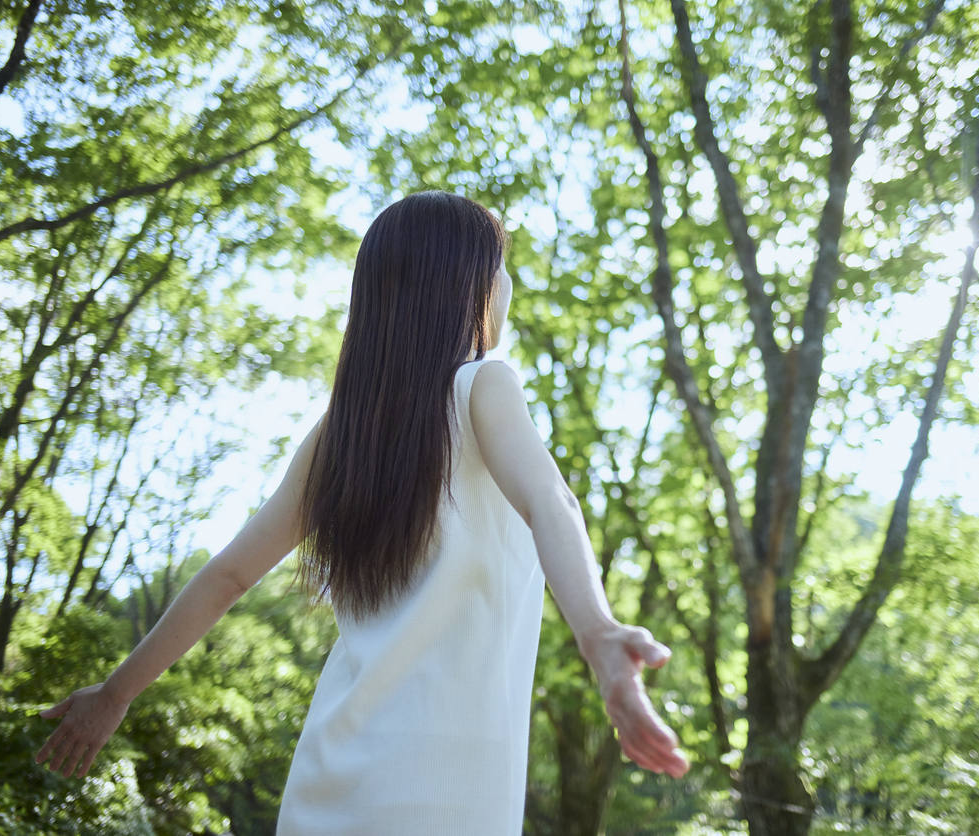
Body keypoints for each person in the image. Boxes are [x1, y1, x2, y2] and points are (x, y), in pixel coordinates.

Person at [34, 190, 689, 833]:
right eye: (497, 266)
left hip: (331, 783)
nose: (505, 282)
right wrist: (598, 635)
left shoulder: (341, 435)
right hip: (445, 798)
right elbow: (550, 498)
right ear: (469, 287)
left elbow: (228, 575)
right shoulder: (484, 385)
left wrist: (115, 693)